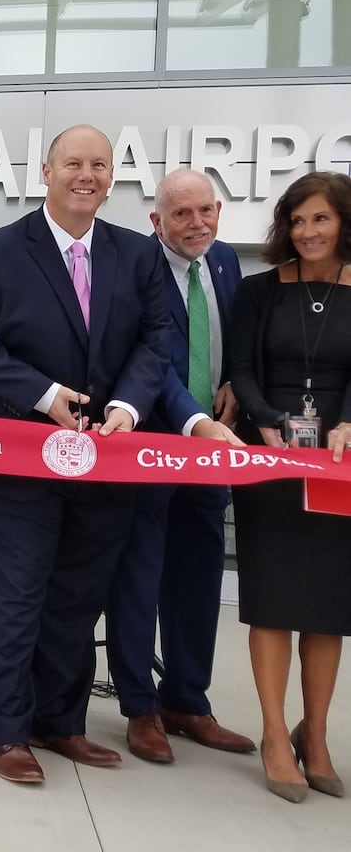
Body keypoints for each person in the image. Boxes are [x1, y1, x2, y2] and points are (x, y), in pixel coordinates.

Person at [0, 124, 171, 784]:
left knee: (76, 598)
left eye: (98, 164)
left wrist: (126, 407)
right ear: (46, 171)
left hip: (104, 461)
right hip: (17, 459)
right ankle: (6, 730)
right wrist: (42, 397)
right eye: (73, 162)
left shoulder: (138, 254)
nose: (85, 174)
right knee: (14, 596)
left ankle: (59, 721)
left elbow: (156, 340)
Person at [105, 168, 254, 763]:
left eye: (205, 211)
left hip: (211, 450)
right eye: (182, 214)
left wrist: (237, 383)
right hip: (154, 445)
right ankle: (140, 708)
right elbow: (155, 360)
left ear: (218, 210)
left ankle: (187, 700)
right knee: (140, 579)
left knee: (198, 577)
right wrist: (195, 418)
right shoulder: (136, 268)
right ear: (156, 220)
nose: (197, 224)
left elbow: (234, 335)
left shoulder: (223, 262)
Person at [228, 170, 351, 803]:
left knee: (327, 604)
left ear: (343, 223)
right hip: (270, 456)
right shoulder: (257, 292)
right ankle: (276, 735)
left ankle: (318, 733)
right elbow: (241, 370)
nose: (307, 232)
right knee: (274, 599)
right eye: (297, 220)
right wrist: (268, 423)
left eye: (320, 219)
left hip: (340, 464)